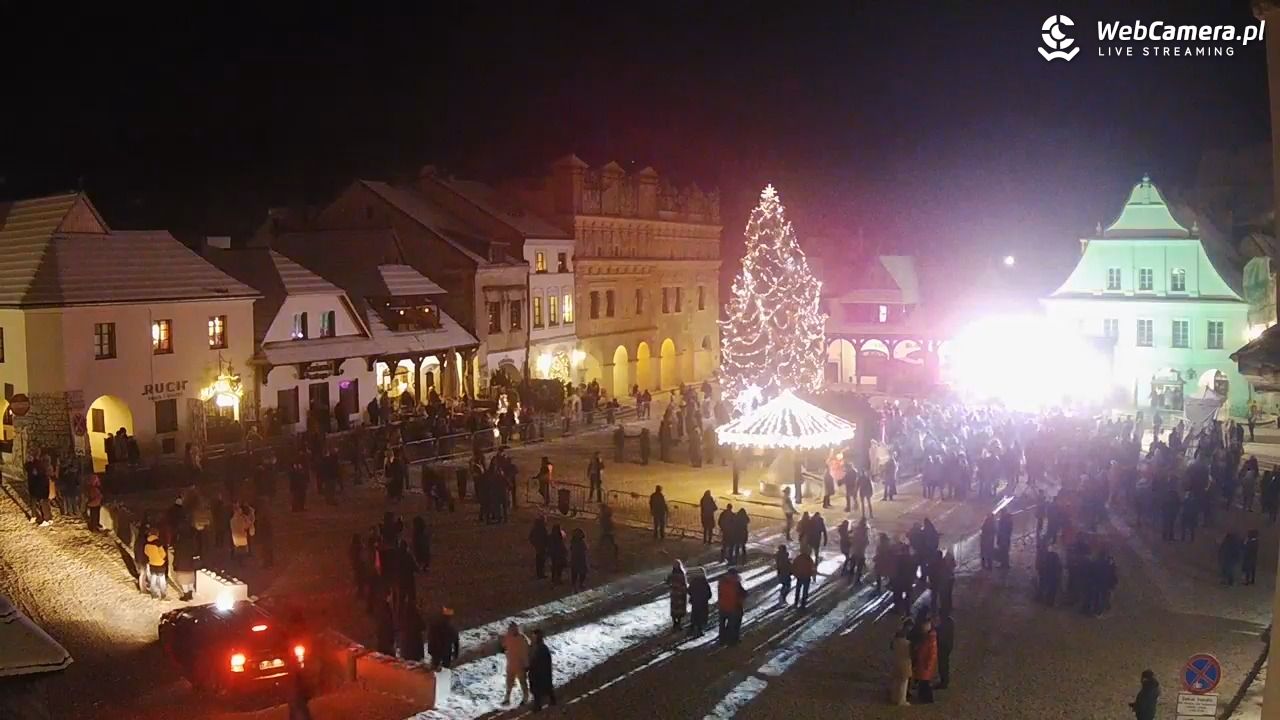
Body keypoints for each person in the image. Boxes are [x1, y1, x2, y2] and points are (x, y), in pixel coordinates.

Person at [501, 622, 531, 706]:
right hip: (510, 664)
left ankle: (526, 697)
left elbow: (525, 652)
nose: (510, 630)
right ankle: (507, 699)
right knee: (509, 683)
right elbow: (504, 646)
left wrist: (526, 664)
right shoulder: (508, 637)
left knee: (522, 682)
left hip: (519, 665)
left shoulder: (522, 638)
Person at [910, 614, 938, 703]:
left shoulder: (930, 638)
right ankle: (923, 698)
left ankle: (926, 698)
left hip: (924, 665)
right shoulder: (928, 637)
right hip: (923, 664)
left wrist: (928, 664)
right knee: (923, 683)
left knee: (924, 683)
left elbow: (932, 654)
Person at [717, 568, 748, 644]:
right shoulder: (736, 583)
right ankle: (733, 640)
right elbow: (743, 594)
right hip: (734, 607)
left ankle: (722, 639)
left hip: (722, 606)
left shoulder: (721, 582)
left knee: (722, 625)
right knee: (735, 625)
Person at [529, 629, 556, 712]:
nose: (533, 638)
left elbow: (543, 661)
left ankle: (538, 706)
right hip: (536, 671)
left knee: (539, 688)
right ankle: (551, 700)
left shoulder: (542, 648)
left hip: (540, 672)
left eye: (534, 637)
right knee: (543, 687)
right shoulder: (534, 647)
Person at [889, 626, 912, 706]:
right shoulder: (908, 643)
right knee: (903, 684)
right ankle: (901, 700)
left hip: (895, 663)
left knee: (895, 682)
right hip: (905, 664)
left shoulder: (894, 642)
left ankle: (894, 698)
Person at [143, 530, 168, 600]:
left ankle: (153, 594)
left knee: (153, 579)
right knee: (162, 579)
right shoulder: (159, 543)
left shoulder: (147, 544)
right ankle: (163, 594)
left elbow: (146, 553)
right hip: (160, 563)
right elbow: (163, 554)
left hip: (152, 563)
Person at [688, 566, 712, 637]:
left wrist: (692, 596)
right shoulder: (705, 582)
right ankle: (700, 629)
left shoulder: (693, 581)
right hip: (703, 602)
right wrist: (707, 598)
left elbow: (689, 590)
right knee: (702, 615)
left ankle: (692, 627)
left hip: (695, 601)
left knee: (695, 614)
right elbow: (709, 593)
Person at [791, 544, 815, 609]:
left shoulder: (798, 558)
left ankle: (796, 602)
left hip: (800, 576)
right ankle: (803, 604)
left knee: (798, 590)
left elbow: (793, 566)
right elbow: (812, 568)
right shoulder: (809, 559)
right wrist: (812, 575)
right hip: (806, 577)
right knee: (805, 591)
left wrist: (795, 574)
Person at [935, 609, 955, 689]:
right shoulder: (950, 622)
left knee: (943, 665)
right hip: (948, 646)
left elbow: (941, 634)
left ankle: (944, 682)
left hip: (943, 646)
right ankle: (945, 680)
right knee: (945, 664)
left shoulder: (944, 624)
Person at [667, 560, 688, 630]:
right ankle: (675, 623)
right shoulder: (676, 574)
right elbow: (668, 582)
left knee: (677, 609)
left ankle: (677, 623)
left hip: (678, 593)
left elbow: (684, 583)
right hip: (676, 594)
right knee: (676, 609)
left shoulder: (680, 574)